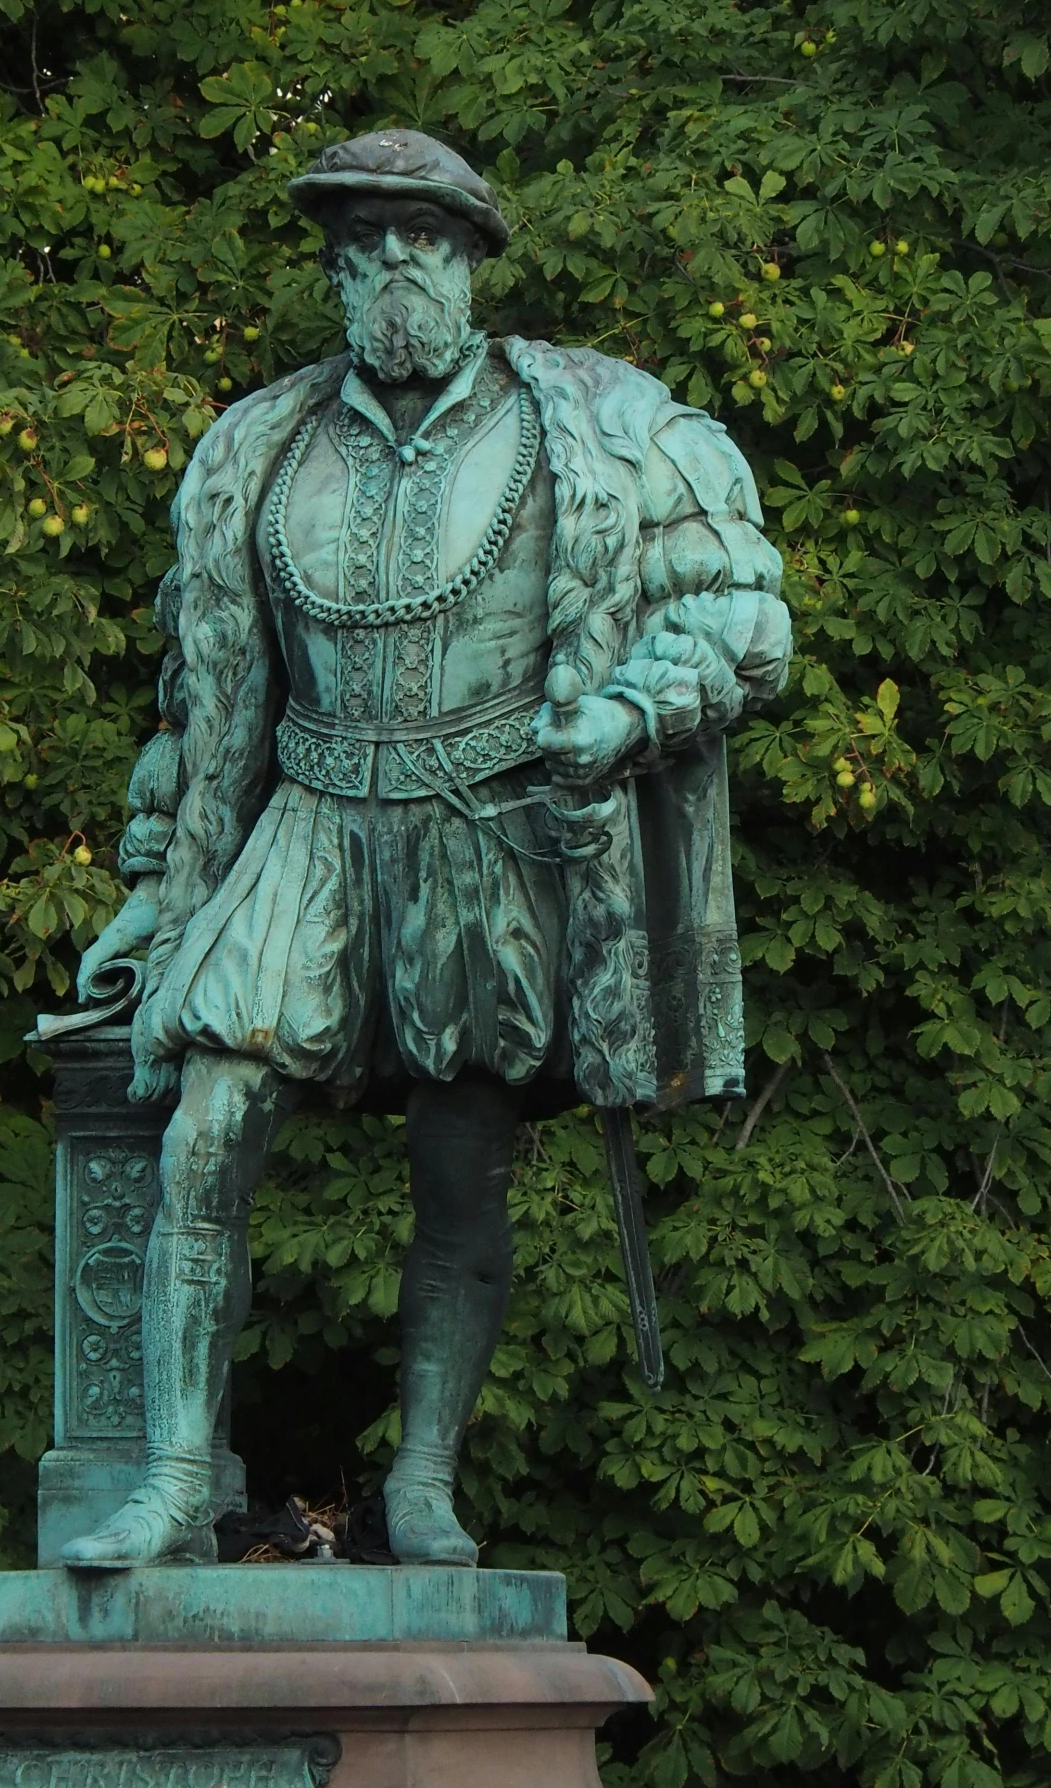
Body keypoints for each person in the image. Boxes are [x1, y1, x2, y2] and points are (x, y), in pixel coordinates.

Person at [63, 129, 790, 1569]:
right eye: (364, 250)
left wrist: (628, 716)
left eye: (424, 245)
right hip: (309, 833)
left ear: (472, 265)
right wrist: (154, 886)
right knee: (206, 1127)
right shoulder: (251, 452)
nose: (394, 271)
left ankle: (422, 1480)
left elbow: (743, 623)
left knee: (460, 1171)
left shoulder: (608, 431)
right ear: (336, 278)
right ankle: (167, 1479)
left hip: (490, 836)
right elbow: (196, 696)